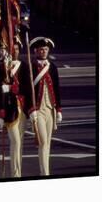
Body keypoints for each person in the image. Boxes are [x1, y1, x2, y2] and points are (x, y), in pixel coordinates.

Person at [0, 37, 32, 177]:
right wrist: (0, 111)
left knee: (19, 143)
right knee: (15, 141)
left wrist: (31, 109)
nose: (15, 51)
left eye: (17, 49)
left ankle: (17, 172)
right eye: (13, 49)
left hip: (22, 109)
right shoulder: (3, 67)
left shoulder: (24, 66)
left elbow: (28, 88)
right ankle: (16, 175)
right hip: (10, 110)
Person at [29, 37, 62, 176]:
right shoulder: (30, 67)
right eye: (41, 49)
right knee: (42, 141)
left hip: (50, 109)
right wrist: (31, 109)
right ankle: (45, 173)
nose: (44, 52)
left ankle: (44, 171)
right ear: (36, 51)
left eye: (46, 49)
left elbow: (56, 88)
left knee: (47, 143)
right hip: (38, 110)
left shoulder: (52, 67)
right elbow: (27, 89)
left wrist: (59, 109)